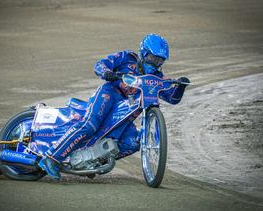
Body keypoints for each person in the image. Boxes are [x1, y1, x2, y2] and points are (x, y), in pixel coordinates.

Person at [38, 34, 190, 180]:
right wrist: (107, 73)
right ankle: (51, 158)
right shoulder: (126, 57)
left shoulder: (156, 78)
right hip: (109, 94)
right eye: (152, 58)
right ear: (144, 53)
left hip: (126, 112)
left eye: (159, 61)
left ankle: (93, 162)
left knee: (133, 143)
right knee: (89, 125)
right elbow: (100, 64)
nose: (154, 64)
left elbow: (172, 98)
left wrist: (181, 86)